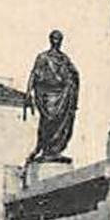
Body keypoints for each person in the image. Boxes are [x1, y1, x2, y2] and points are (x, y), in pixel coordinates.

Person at [25, 30, 80, 161]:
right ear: (50, 40)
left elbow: (74, 73)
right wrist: (28, 92)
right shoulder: (43, 57)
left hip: (63, 94)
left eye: (59, 39)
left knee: (62, 122)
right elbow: (34, 74)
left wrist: (71, 82)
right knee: (48, 120)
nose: (57, 41)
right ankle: (44, 148)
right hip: (47, 94)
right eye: (55, 38)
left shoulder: (64, 58)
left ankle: (55, 149)